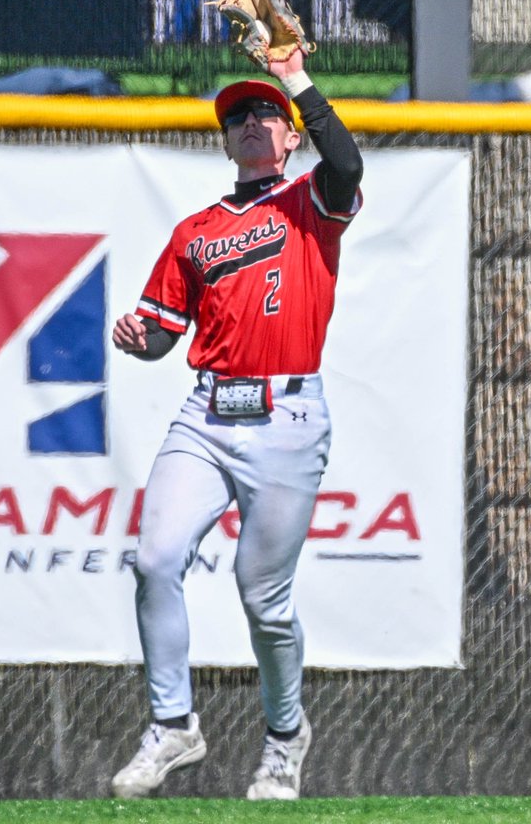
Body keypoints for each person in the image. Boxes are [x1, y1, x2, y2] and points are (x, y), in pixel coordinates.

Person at [109, 46, 363, 801]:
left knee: (263, 599)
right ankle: (172, 725)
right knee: (155, 559)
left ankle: (284, 739)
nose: (252, 122)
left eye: (266, 115)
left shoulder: (311, 202)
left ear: (289, 137)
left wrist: (294, 80)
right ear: (226, 143)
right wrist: (141, 338)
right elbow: (163, 334)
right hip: (209, 410)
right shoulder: (195, 232)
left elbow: (347, 162)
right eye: (238, 117)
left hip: (287, 412)